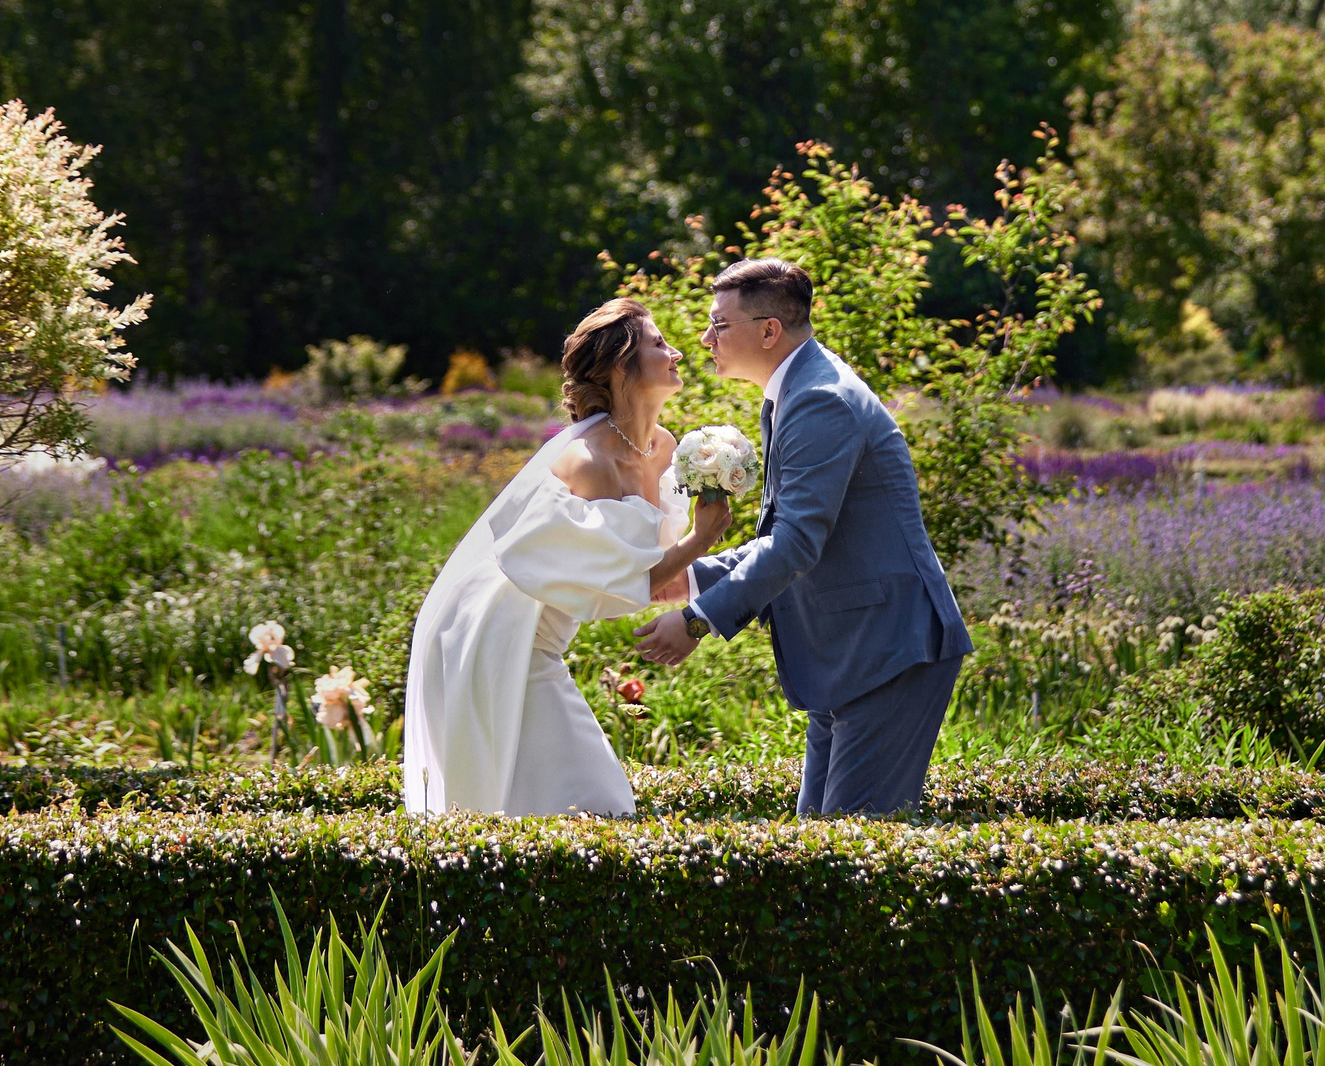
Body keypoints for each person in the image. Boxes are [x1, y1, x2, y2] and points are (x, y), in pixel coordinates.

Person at [634, 257, 974, 816]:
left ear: (769, 331)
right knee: (817, 847)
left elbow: (795, 544)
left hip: (887, 650)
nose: (704, 337)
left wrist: (698, 619)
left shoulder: (820, 399)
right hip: (853, 650)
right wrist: (690, 577)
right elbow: (795, 535)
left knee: (847, 856)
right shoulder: (800, 392)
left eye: (719, 324)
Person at [402, 299, 730, 814]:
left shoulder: (664, 448)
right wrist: (700, 539)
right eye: (659, 343)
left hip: (539, 637)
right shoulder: (588, 460)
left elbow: (641, 572)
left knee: (542, 808)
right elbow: (623, 583)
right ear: (622, 365)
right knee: (598, 804)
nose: (679, 353)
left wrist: (732, 594)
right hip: (498, 634)